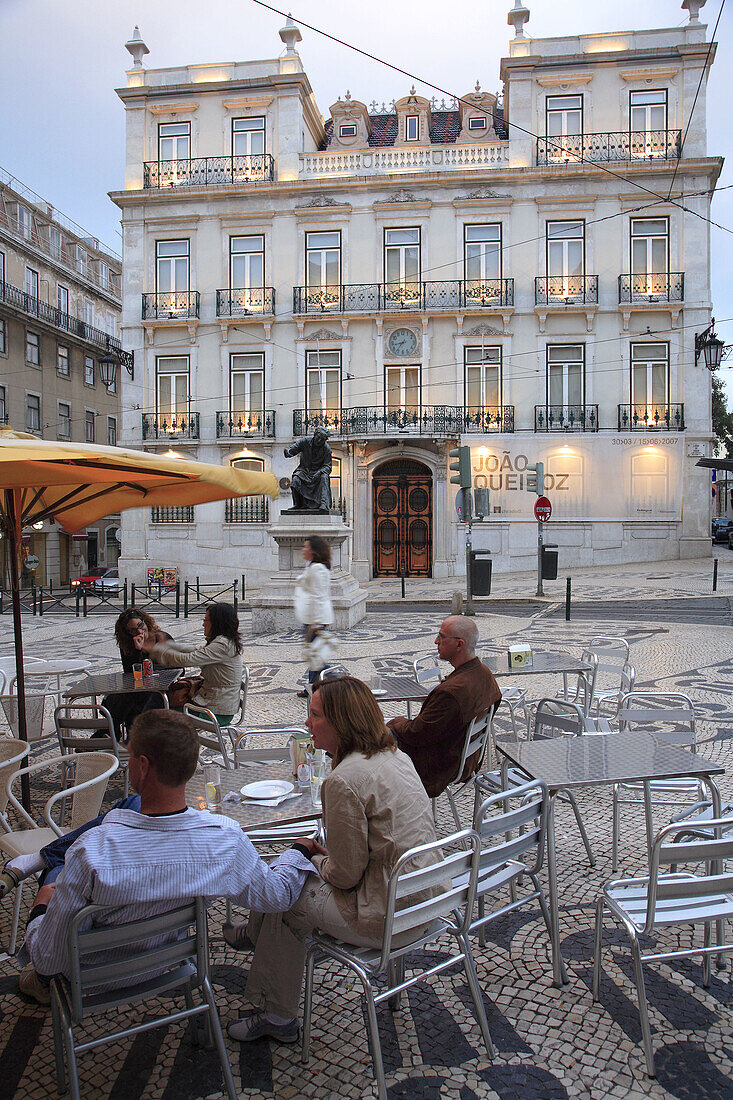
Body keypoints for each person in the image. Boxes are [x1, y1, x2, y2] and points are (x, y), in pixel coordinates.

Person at [11, 710, 319, 1004]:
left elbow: (49, 960)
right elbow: (276, 896)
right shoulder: (224, 839)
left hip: (91, 977)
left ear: (142, 765)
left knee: (50, 883)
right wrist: (298, 851)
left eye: (129, 755)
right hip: (170, 962)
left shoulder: (91, 851)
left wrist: (40, 911)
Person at [223, 676, 441, 1045]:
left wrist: (312, 857)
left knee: (287, 883)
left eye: (315, 715)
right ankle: (254, 935)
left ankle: (276, 1013)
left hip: (388, 915)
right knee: (294, 866)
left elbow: (345, 875)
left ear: (343, 722)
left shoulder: (343, 780)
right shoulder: (396, 756)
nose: (307, 723)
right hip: (428, 897)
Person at [387, 616, 502, 798]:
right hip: (467, 759)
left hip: (438, 766)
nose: (436, 641)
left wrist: (395, 723)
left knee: (362, 741)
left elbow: (416, 733)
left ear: (459, 645)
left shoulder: (452, 692)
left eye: (442, 636)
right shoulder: (483, 673)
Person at [142, 601, 243, 725]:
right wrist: (167, 645)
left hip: (216, 711)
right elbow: (195, 649)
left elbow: (188, 659)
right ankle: (136, 741)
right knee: (158, 699)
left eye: (206, 620)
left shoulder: (222, 645)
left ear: (216, 623)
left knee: (159, 714)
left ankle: (138, 742)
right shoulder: (223, 642)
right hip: (212, 703)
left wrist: (156, 650)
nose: (203, 623)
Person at [100, 608, 174, 736]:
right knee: (127, 700)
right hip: (139, 689)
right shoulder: (129, 644)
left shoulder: (162, 638)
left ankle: (109, 734)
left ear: (146, 622)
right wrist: (138, 651)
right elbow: (130, 672)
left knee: (125, 702)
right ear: (128, 633)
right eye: (133, 630)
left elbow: (176, 668)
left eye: (141, 625)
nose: (139, 631)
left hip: (160, 689)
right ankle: (121, 738)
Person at [294, 536, 334, 697]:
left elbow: (318, 595)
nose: (303, 549)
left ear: (313, 551)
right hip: (313, 617)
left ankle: (338, 680)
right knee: (314, 655)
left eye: (305, 547)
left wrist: (315, 623)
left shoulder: (317, 569)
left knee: (317, 657)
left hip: (316, 619)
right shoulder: (313, 566)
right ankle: (311, 687)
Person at [284, 427, 332, 512]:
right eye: (318, 437)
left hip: (318, 472)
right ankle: (297, 504)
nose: (319, 441)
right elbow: (295, 447)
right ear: (315, 435)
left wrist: (319, 472)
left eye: (322, 440)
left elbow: (328, 466)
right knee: (295, 480)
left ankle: (323, 504)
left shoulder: (326, 449)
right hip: (304, 470)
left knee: (324, 477)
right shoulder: (305, 441)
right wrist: (288, 451)